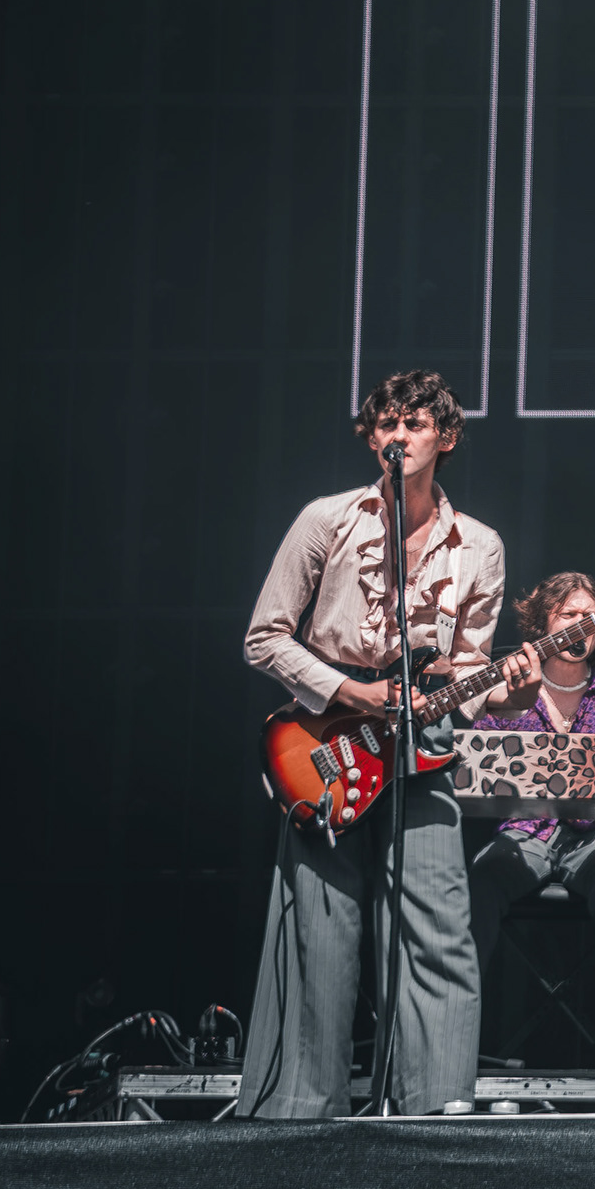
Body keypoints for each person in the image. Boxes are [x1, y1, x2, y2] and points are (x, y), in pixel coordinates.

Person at [233, 369, 531, 1118]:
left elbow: (469, 667)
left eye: (415, 423)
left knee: (438, 930)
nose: (399, 435)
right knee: (320, 934)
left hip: (424, 740)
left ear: (446, 437)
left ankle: (436, 1110)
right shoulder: (325, 519)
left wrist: (510, 690)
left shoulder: (480, 546)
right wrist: (350, 692)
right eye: (387, 424)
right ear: (371, 437)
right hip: (328, 736)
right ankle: (301, 1113)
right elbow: (264, 637)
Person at [465, 571, 595, 1071]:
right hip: (523, 832)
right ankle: (452, 1029)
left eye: (588, 616)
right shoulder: (505, 689)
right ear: (544, 624)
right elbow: (477, 768)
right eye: (567, 614)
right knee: (481, 879)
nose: (579, 624)